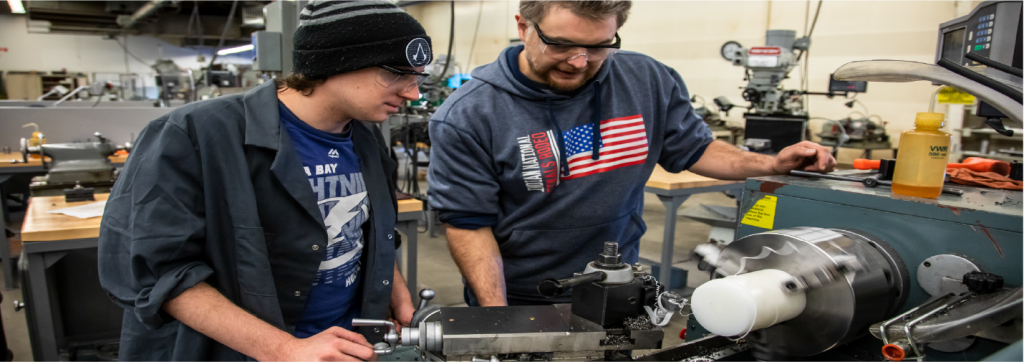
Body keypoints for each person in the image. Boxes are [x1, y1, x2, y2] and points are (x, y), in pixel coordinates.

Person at [427, 0, 837, 307]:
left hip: (620, 282)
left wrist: (769, 163)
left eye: (599, 46)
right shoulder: (469, 114)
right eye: (562, 44)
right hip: (526, 293)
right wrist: (497, 317)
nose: (579, 61)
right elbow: (468, 224)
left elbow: (695, 148)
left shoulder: (646, 78)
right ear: (523, 26)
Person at [97, 1, 434, 360]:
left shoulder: (365, 139)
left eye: (418, 78)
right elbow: (158, 273)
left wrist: (395, 295)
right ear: (335, 61)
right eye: (396, 73)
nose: (413, 93)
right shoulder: (194, 134)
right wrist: (284, 349)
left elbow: (368, 233)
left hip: (344, 348)